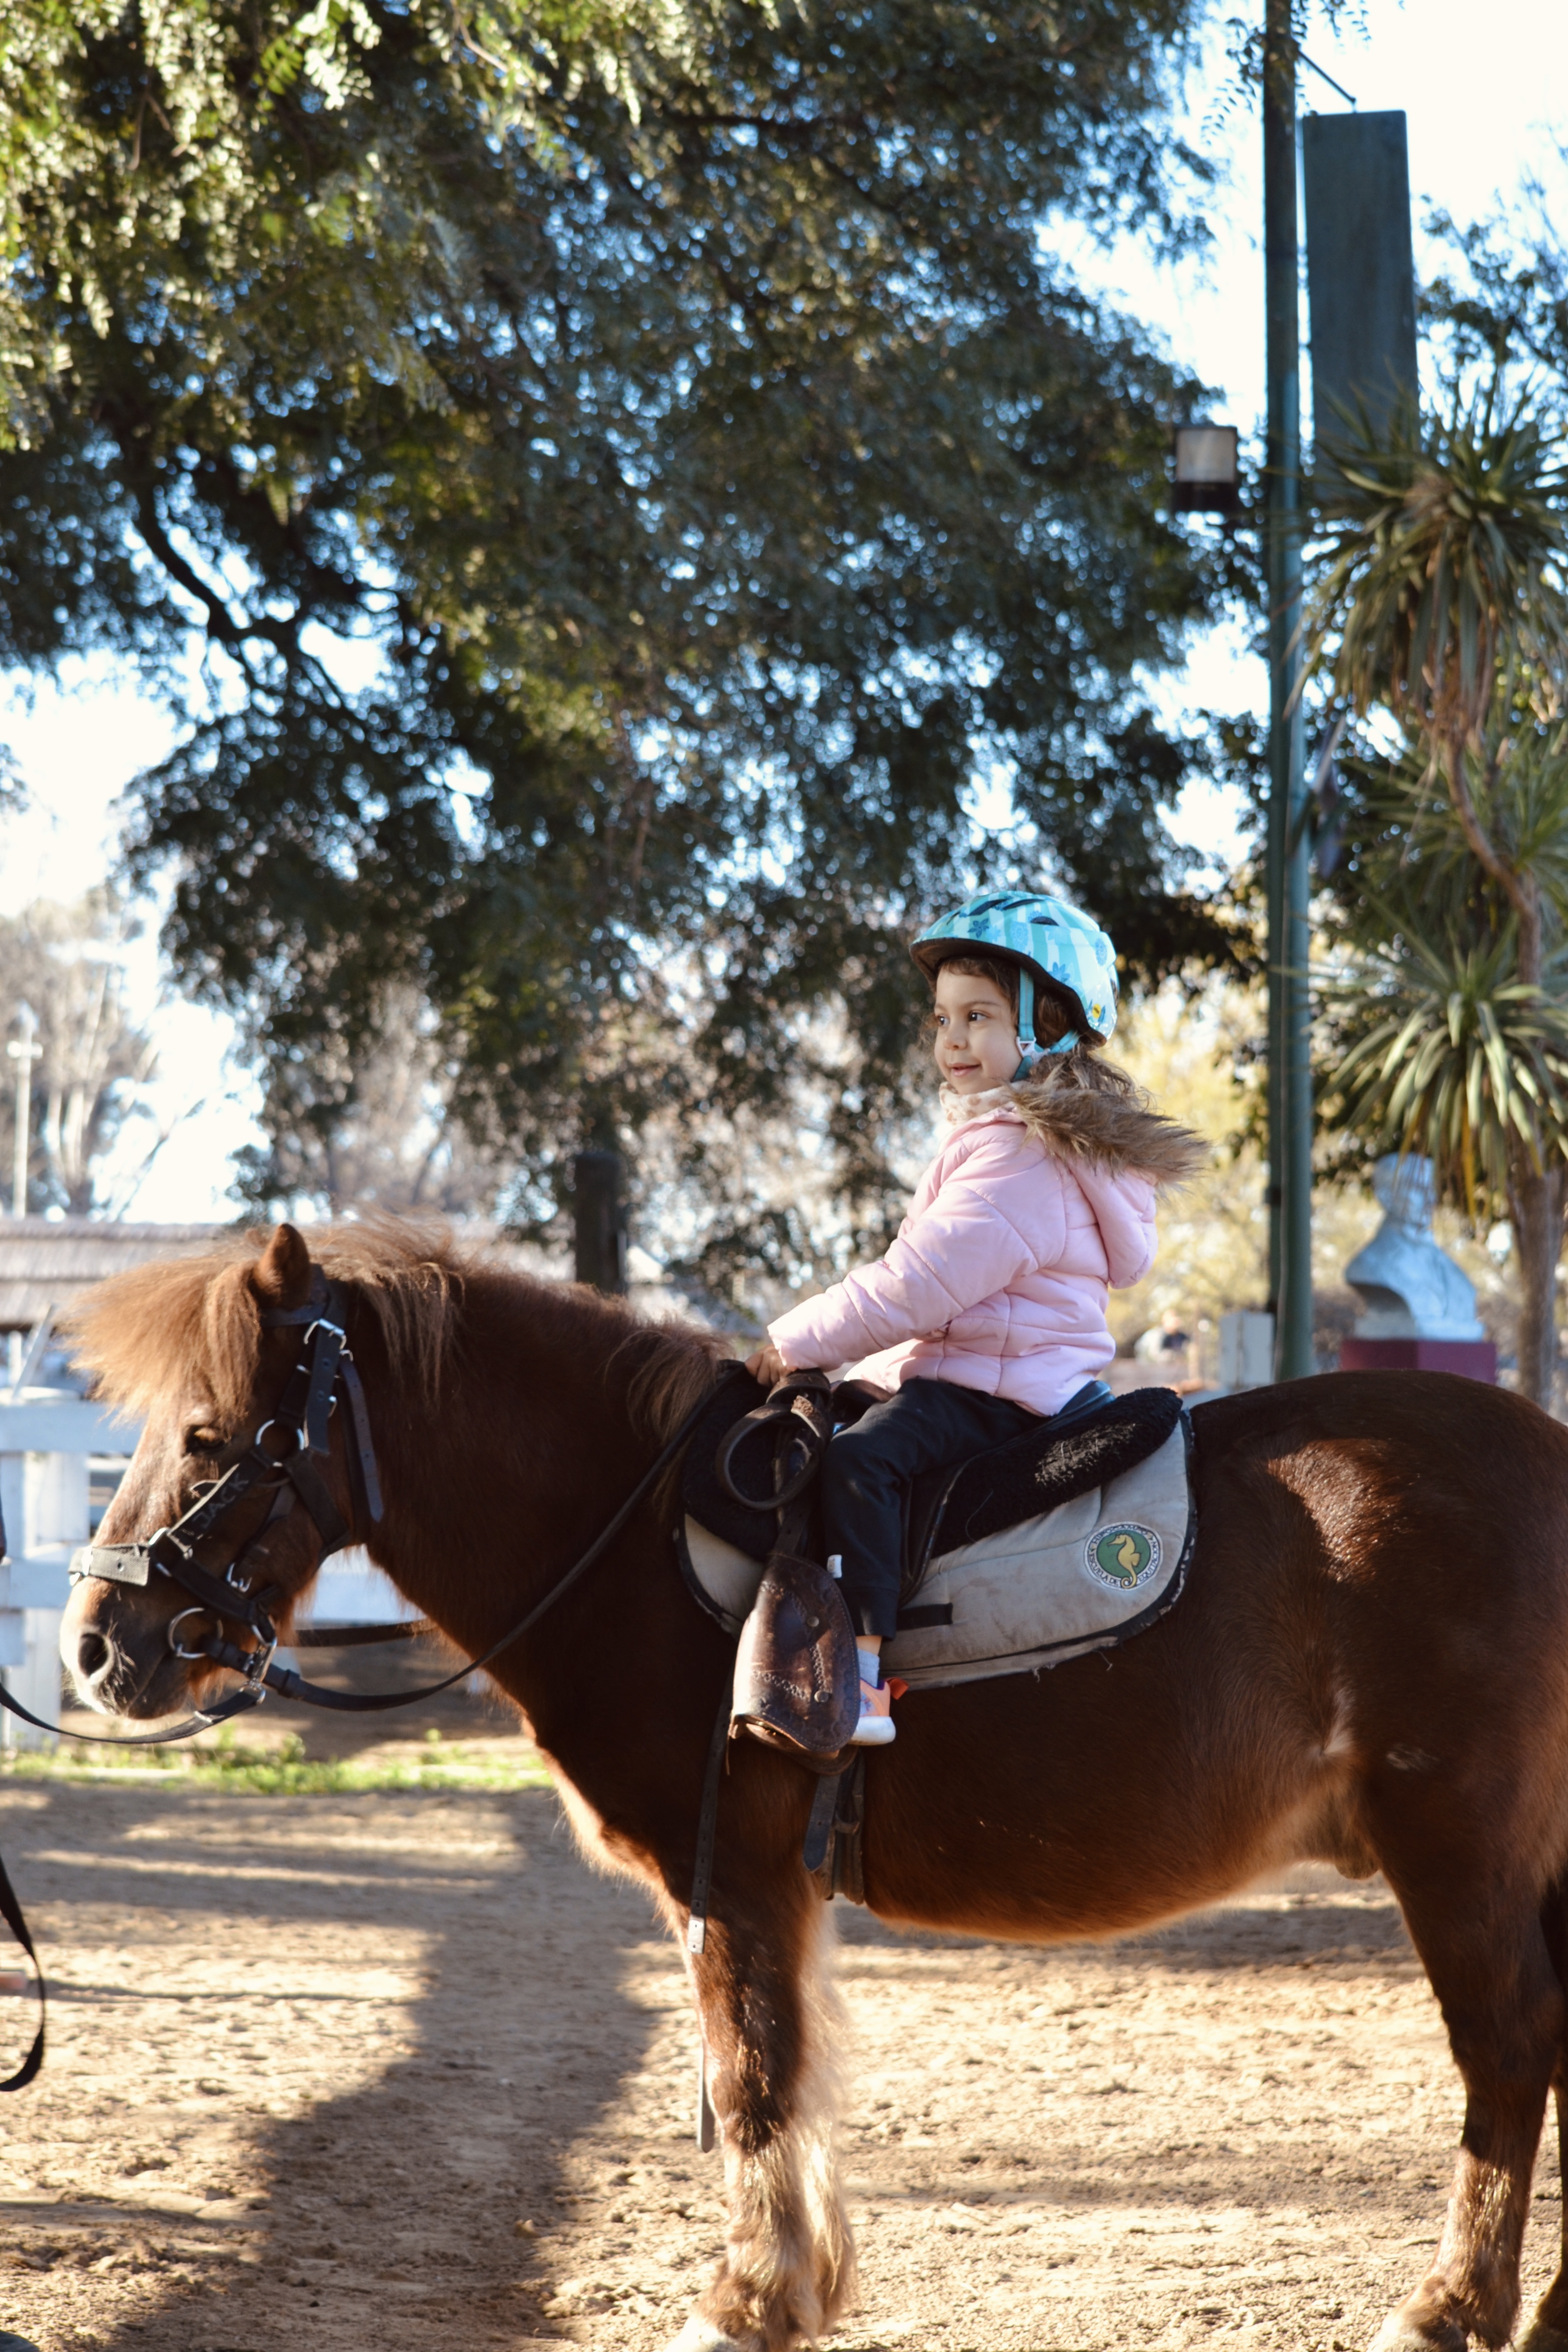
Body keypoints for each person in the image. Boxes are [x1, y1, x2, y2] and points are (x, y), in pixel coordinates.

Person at [745, 890, 1204, 1746]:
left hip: (990, 1386)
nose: (951, 1040)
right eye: (942, 1019)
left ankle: (862, 1677)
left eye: (979, 1016)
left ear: (1050, 1023)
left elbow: (914, 1288)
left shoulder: (1020, 1155)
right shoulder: (1016, 1136)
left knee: (857, 1466)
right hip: (993, 1368)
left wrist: (789, 1342)